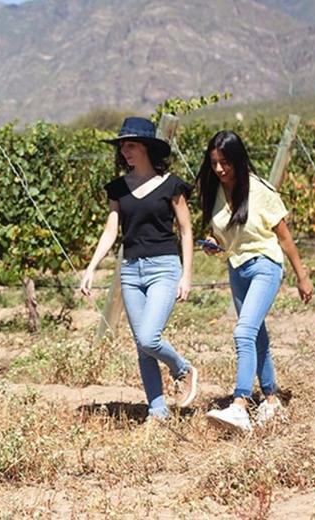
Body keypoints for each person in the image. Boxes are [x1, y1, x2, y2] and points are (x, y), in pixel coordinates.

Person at [79, 116, 198, 420]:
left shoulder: (171, 185)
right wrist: (92, 267)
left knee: (149, 337)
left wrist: (186, 275)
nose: (125, 152)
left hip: (164, 268)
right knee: (141, 346)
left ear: (146, 148)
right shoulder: (118, 188)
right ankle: (157, 412)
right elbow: (111, 229)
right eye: (122, 147)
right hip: (130, 270)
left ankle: (183, 369)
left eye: (130, 146)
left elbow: (186, 230)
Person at [197, 130, 313, 432]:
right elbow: (220, 232)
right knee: (257, 335)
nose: (220, 169)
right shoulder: (217, 191)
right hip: (236, 267)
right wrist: (211, 242)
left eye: (225, 163)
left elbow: (284, 238)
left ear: (238, 159)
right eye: (214, 163)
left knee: (243, 332)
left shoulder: (261, 191)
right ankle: (272, 400)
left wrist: (302, 277)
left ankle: (239, 404)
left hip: (265, 265)